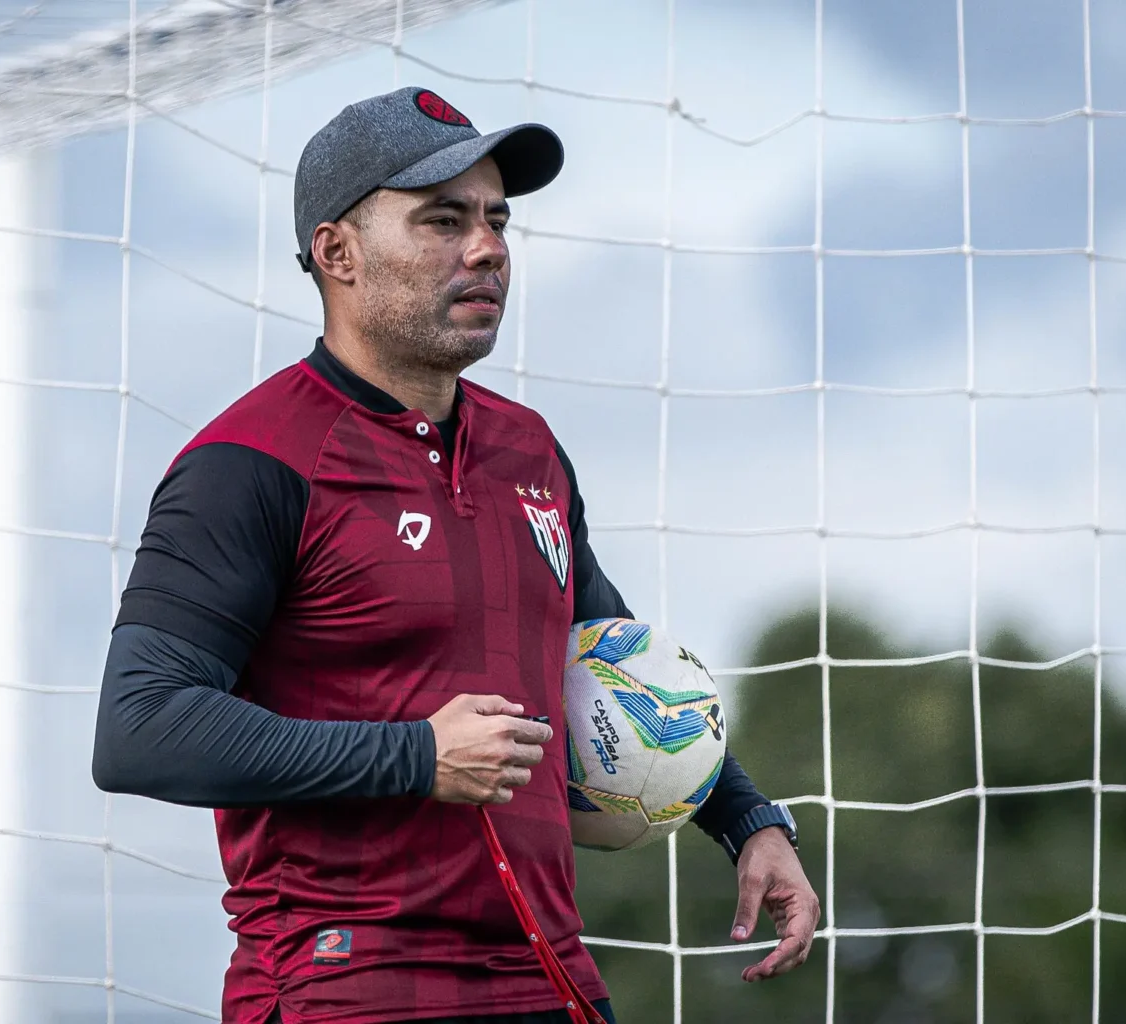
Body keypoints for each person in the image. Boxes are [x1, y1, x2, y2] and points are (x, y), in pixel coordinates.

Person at [92, 86, 820, 1024]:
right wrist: (415, 755)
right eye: (443, 220)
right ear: (337, 252)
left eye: (495, 220)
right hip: (347, 985)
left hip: (552, 976)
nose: (486, 248)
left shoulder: (531, 452)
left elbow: (612, 670)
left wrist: (747, 819)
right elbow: (139, 728)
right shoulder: (249, 463)